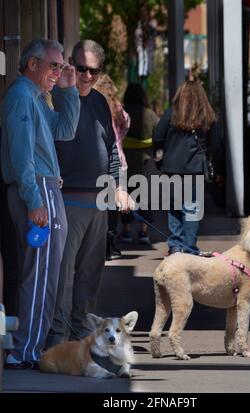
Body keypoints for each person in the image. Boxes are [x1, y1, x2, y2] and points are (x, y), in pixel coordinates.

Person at [46, 40, 133, 348]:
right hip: (65, 199)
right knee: (63, 274)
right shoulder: (53, 98)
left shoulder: (98, 102)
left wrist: (120, 187)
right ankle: (58, 340)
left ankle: (81, 336)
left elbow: (112, 148)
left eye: (92, 71)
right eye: (80, 68)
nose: (85, 76)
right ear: (70, 65)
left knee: (90, 273)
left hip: (99, 201)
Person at [0, 39, 80, 368]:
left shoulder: (35, 97)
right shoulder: (21, 97)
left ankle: (29, 348)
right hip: (38, 190)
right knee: (41, 274)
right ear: (32, 64)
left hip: (45, 189)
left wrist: (69, 90)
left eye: (62, 66)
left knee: (47, 274)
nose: (58, 72)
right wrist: (34, 200)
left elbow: (65, 130)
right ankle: (25, 351)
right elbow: (21, 156)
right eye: (54, 66)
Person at [152, 79, 217, 256]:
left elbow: (157, 136)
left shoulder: (171, 114)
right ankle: (190, 248)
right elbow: (215, 144)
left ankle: (175, 246)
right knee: (192, 209)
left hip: (172, 168)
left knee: (174, 207)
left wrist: (162, 151)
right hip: (195, 169)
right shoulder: (207, 116)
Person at [94, 73, 130, 260]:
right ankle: (112, 244)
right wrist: (119, 139)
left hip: (100, 160)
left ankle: (101, 245)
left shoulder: (93, 104)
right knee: (115, 205)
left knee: (101, 204)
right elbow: (126, 123)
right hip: (119, 159)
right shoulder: (116, 107)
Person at [121, 83, 159, 244]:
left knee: (125, 196)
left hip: (126, 161)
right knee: (145, 197)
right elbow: (158, 135)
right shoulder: (150, 114)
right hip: (146, 161)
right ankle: (144, 231)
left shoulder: (122, 112)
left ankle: (126, 231)